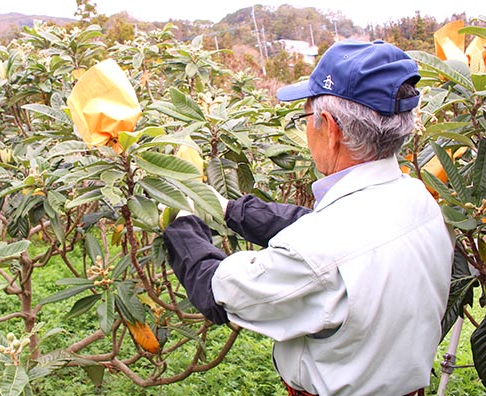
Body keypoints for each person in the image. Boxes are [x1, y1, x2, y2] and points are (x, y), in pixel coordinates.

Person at [162, 40, 454, 396]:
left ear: (330, 128)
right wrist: (226, 208)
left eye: (305, 117)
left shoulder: (318, 253)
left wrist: (182, 220)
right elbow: (319, 228)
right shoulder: (418, 200)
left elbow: (218, 290)